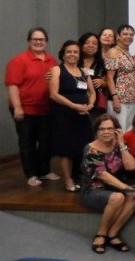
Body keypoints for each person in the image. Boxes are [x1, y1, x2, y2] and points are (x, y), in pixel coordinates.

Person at [5, 27, 60, 186]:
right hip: (25, 109)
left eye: (41, 39)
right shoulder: (18, 61)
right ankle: (31, 174)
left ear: (46, 42)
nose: (38, 42)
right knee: (27, 142)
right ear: (29, 41)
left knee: (46, 142)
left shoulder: (51, 60)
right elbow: (13, 86)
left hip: (46, 108)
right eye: (35, 39)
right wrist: (17, 107)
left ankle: (44, 171)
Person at [81, 115, 135, 254]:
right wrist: (126, 188)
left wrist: (121, 144)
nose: (106, 132)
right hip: (93, 189)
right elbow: (102, 175)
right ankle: (101, 233)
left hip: (114, 187)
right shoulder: (90, 149)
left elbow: (131, 166)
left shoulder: (118, 144)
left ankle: (113, 234)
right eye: (102, 129)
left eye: (109, 128)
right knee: (118, 197)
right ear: (96, 131)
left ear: (116, 130)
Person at [49, 40, 95, 192]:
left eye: (75, 52)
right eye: (69, 52)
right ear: (63, 54)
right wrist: (73, 106)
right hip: (65, 114)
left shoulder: (84, 72)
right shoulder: (57, 70)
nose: (72, 55)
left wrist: (90, 105)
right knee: (67, 149)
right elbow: (54, 94)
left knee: (84, 147)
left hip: (83, 115)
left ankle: (81, 177)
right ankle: (68, 180)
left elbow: (92, 93)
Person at [105, 24, 135, 131]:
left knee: (130, 130)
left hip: (131, 99)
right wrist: (115, 98)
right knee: (119, 131)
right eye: (125, 34)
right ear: (118, 36)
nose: (128, 36)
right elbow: (109, 77)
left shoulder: (128, 53)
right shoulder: (113, 52)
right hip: (119, 99)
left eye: (131, 34)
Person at [78, 32, 108, 116]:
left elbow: (108, 81)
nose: (91, 45)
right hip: (76, 101)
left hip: (96, 105)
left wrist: (103, 83)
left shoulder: (101, 63)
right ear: (81, 44)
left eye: (94, 43)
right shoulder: (74, 61)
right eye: (87, 42)